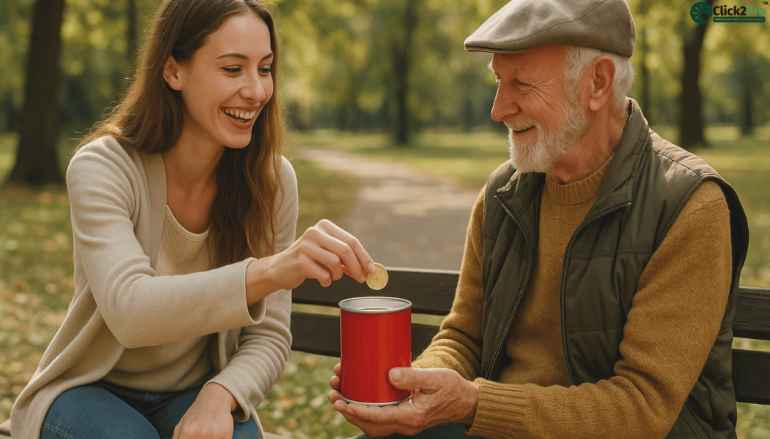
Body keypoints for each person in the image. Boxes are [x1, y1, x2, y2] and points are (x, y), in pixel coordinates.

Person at [329, 0, 749, 438]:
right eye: (497, 82)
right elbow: (464, 336)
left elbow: (642, 408)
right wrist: (416, 387)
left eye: (521, 84)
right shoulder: (504, 193)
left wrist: (475, 402)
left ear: (598, 83)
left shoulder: (688, 204)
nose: (497, 109)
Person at [10, 1, 376, 438]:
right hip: (89, 390)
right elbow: (131, 312)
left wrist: (220, 395)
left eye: (264, 68)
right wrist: (272, 271)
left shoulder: (272, 181)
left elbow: (270, 336)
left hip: (194, 390)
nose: (257, 91)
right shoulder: (103, 167)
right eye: (232, 69)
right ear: (173, 71)